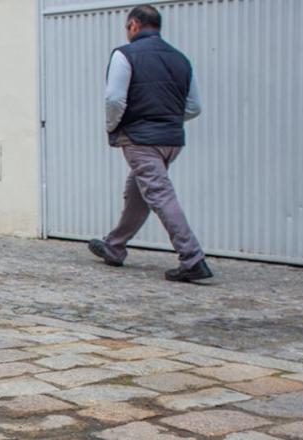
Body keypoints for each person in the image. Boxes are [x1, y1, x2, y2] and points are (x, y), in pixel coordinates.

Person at [88, 5, 212, 284]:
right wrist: (167, 118)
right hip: (171, 139)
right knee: (138, 190)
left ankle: (192, 257)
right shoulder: (181, 59)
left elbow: (114, 99)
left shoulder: (125, 55)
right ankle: (114, 246)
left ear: (133, 25)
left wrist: (114, 126)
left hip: (141, 138)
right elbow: (194, 106)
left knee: (159, 194)